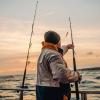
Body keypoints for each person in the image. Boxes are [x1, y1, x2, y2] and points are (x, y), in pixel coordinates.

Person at [36, 30, 81, 100]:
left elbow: (58, 53)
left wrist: (66, 47)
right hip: (53, 93)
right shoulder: (54, 54)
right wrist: (77, 76)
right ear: (58, 42)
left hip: (42, 91)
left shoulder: (45, 52)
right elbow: (61, 75)